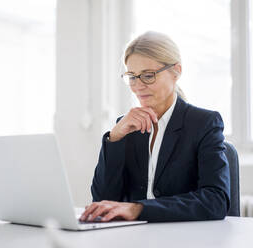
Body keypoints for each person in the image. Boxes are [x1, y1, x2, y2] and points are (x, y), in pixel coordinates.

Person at [80, 31, 230, 222]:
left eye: (148, 76)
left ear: (176, 71)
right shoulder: (127, 126)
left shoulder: (203, 123)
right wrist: (114, 137)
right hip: (133, 237)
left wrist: (138, 209)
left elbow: (215, 201)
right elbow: (102, 200)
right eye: (132, 76)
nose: (138, 86)